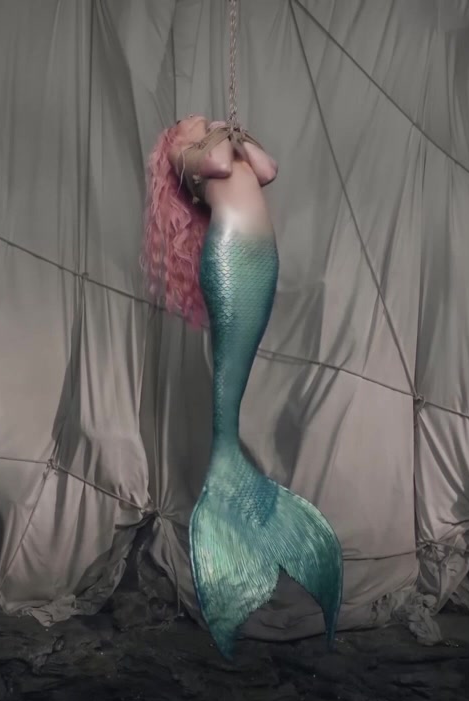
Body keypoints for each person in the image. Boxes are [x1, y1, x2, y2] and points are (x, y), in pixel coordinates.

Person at [141, 114, 343, 659]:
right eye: (186, 119)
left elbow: (268, 169)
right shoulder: (185, 154)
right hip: (230, 256)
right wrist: (218, 136)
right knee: (227, 389)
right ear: (175, 137)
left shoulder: (223, 144)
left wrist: (240, 133)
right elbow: (213, 163)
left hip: (260, 258)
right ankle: (227, 489)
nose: (195, 115)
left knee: (242, 367)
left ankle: (238, 487)